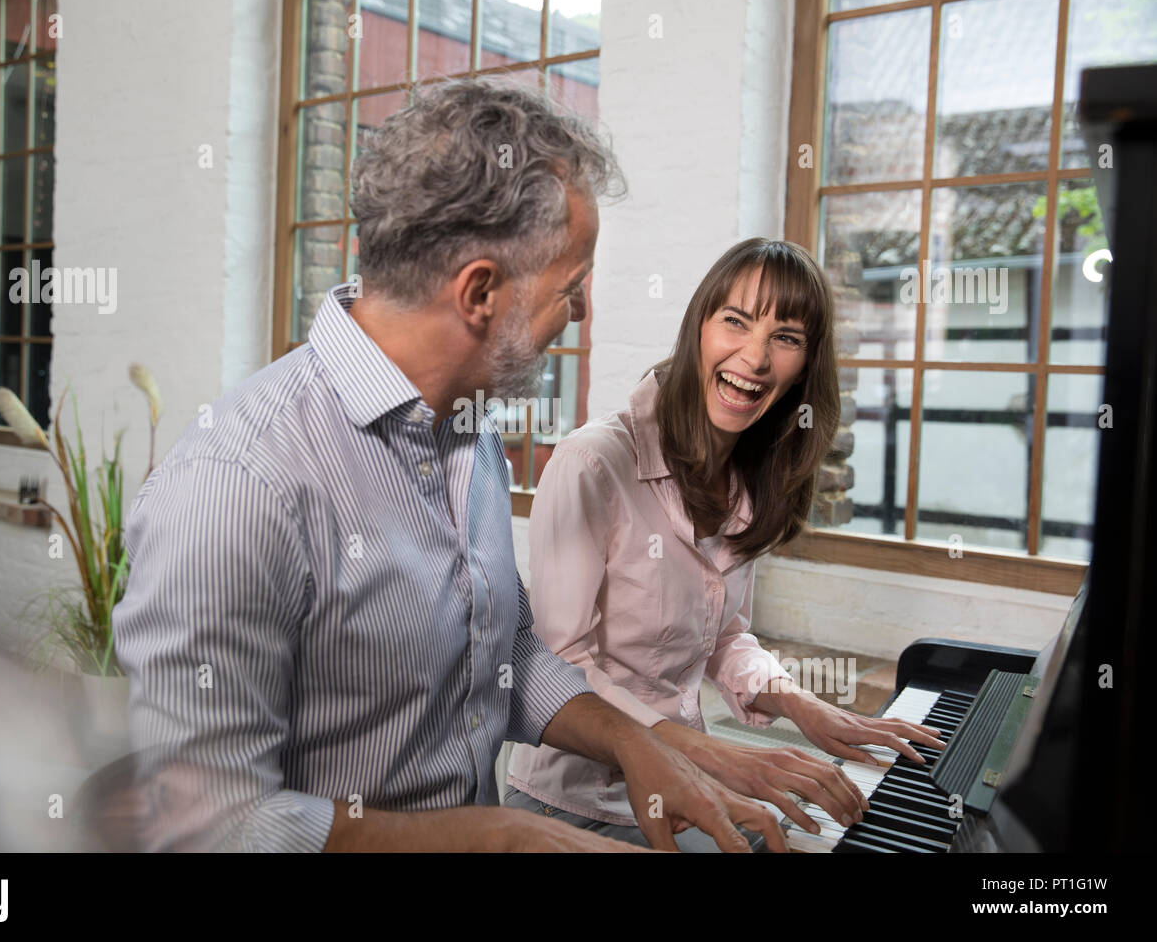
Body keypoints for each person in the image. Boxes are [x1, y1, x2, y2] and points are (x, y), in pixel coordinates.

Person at [112, 79, 790, 852]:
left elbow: (504, 653)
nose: (581, 314)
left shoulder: (466, 436)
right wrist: (503, 837)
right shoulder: (237, 486)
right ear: (480, 293)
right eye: (571, 289)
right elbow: (207, 825)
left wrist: (637, 744)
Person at [505, 238, 946, 850]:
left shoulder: (751, 476)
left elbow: (728, 635)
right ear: (699, 328)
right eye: (736, 321)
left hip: (691, 777)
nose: (756, 357)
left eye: (786, 337)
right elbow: (558, 664)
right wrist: (718, 756)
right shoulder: (593, 462)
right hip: (577, 804)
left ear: (805, 366)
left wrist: (800, 705)